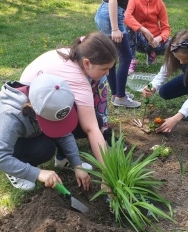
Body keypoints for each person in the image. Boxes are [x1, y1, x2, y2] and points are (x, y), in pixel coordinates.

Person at [19, 31, 120, 170]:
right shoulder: (78, 80)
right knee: (45, 147)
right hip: (25, 120)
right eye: (104, 69)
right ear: (87, 63)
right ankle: (19, 163)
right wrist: (108, 171)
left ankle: (63, 157)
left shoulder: (74, 53)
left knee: (92, 118)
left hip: (39, 102)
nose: (108, 73)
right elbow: (91, 128)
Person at [0, 74, 92, 191]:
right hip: (2, 144)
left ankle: (62, 160)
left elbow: (64, 132)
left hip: (29, 131)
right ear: (35, 112)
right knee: (45, 149)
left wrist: (77, 164)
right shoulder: (9, 115)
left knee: (56, 132)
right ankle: (15, 170)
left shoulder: (54, 98)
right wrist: (37, 173)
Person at [95, 0, 141, 108]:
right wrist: (115, 28)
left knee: (112, 57)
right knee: (126, 57)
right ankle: (120, 97)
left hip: (106, 13)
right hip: (111, 16)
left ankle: (116, 93)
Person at [124, 0, 171, 75]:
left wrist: (159, 38)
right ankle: (131, 60)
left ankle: (152, 53)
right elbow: (126, 17)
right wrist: (144, 30)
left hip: (155, 41)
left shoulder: (160, 3)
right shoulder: (134, 1)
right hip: (139, 40)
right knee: (129, 28)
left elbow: (166, 28)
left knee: (175, 44)